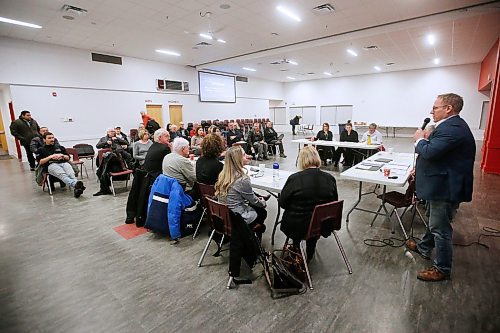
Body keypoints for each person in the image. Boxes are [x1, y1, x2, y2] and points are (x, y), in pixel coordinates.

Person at [406, 93, 475, 282]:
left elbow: (430, 152)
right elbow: (440, 154)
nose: (431, 111)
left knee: (440, 228)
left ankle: (442, 268)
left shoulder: (453, 128)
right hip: (440, 182)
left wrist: (420, 139)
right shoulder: (451, 126)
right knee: (434, 221)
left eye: (435, 107)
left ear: (448, 109)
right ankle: (424, 247)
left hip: (444, 188)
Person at [279, 146, 338, 261]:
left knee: (299, 219)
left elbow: (283, 203)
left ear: (301, 160)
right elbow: (333, 202)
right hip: (321, 225)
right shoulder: (330, 178)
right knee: (313, 218)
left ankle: (296, 248)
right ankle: (310, 250)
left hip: (297, 225)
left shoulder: (294, 179)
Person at [215, 146, 267, 237]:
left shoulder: (223, 174)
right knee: (262, 211)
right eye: (244, 155)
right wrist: (263, 202)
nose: (247, 156)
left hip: (224, 216)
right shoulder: (242, 179)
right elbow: (253, 200)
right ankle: (252, 238)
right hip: (236, 218)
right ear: (237, 159)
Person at [37, 132, 86, 198]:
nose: (52, 139)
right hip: (51, 165)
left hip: (63, 163)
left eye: (52, 137)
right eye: (49, 138)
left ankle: (77, 188)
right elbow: (40, 162)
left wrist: (62, 155)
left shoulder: (60, 147)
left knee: (71, 174)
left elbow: (68, 157)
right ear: (44, 140)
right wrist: (51, 157)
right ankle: (75, 185)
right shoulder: (41, 150)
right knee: (63, 175)